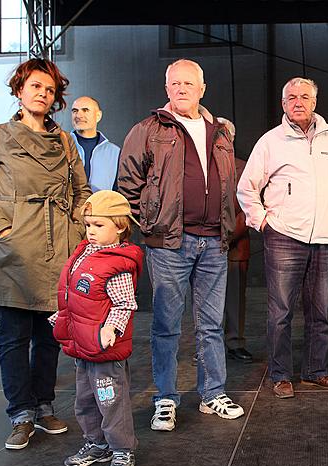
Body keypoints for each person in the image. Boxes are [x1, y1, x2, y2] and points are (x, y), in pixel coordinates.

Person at [0, 58, 91, 450]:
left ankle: (44, 404)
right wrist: (3, 227)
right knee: (14, 338)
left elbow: (82, 190)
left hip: (59, 244)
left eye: (50, 90)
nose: (43, 94)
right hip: (15, 249)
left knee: (50, 337)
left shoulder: (66, 141)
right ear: (19, 91)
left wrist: (79, 227)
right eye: (35, 86)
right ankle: (20, 413)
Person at [118, 59, 244, 430]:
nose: (182, 89)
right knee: (166, 324)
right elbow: (127, 186)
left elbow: (228, 183)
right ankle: (166, 399)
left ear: (202, 88)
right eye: (176, 83)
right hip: (169, 243)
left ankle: (212, 394)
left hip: (213, 244)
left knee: (210, 325)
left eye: (189, 83)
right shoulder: (147, 130)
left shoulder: (220, 132)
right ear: (167, 88)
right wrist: (151, 225)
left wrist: (226, 228)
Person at [237, 77, 328, 399]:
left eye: (304, 97)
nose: (298, 102)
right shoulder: (271, 141)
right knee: (281, 311)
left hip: (325, 236)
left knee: (320, 310)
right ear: (283, 104)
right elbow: (246, 187)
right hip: (285, 235)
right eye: (291, 97)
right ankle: (280, 374)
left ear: (315, 103)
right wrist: (262, 222)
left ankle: (316, 371)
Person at [50, 191, 143, 466]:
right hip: (82, 346)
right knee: (85, 400)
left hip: (104, 349)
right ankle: (96, 443)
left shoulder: (117, 263)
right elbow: (74, 296)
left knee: (111, 400)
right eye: (88, 224)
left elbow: (125, 303)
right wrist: (62, 318)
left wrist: (111, 328)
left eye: (99, 225)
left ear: (120, 226)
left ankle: (122, 449)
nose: (91, 230)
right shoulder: (83, 254)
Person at [218, 117, 253, 363]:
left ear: (231, 138)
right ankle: (205, 346)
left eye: (222, 135)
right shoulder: (198, 167)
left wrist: (224, 237)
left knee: (234, 298)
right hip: (202, 244)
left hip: (234, 245)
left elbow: (247, 209)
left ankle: (234, 343)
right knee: (203, 300)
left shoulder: (243, 167)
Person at [71, 96, 121, 192]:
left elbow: (118, 192)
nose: (78, 115)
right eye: (75, 111)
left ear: (98, 116)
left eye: (85, 110)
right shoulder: (61, 146)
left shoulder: (115, 152)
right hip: (67, 206)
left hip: (102, 206)